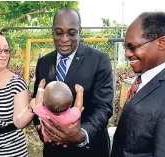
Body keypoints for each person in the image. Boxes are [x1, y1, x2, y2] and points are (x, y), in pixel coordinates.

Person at [32, 7, 113, 157]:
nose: (64, 39)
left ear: (79, 31)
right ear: (52, 31)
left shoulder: (99, 60)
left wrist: (81, 134)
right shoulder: (44, 62)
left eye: (71, 33)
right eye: (58, 32)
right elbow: (37, 99)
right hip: (53, 150)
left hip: (89, 149)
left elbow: (103, 107)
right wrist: (41, 129)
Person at [111, 12, 165, 157]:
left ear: (162, 43)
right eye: (125, 46)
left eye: (132, 47)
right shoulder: (145, 78)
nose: (127, 53)